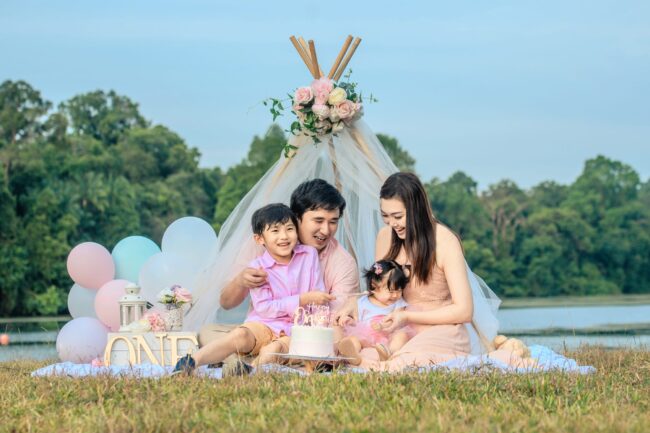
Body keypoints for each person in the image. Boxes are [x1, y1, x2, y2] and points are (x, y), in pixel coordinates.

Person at [336, 172, 533, 371]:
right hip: (399, 330)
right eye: (385, 216)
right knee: (365, 353)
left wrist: (408, 317)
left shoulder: (444, 241)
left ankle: (505, 358)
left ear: (417, 210)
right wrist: (354, 303)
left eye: (398, 216)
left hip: (442, 329)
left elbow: (464, 311)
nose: (392, 224)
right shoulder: (385, 237)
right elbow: (381, 288)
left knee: (404, 363)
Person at [198, 179, 359, 346]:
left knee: (335, 339)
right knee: (208, 333)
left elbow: (335, 319)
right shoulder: (262, 243)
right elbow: (226, 303)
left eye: (333, 221)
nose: (326, 230)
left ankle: (254, 355)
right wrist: (241, 281)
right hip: (262, 331)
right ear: (296, 218)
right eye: (318, 221)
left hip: (308, 337)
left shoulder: (344, 263)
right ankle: (246, 353)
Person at [173, 203, 330, 374]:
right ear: (259, 239)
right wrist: (302, 300)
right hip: (264, 325)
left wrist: (317, 321)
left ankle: (248, 370)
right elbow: (264, 308)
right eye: (275, 231)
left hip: (297, 331)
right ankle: (190, 362)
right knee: (239, 336)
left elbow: (318, 297)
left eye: (289, 229)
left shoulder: (309, 255)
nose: (284, 236)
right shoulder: (258, 268)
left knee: (273, 350)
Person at [336, 260, 412, 365]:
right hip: (366, 335)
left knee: (401, 335)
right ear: (374, 287)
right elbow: (358, 322)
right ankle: (352, 354)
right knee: (353, 338)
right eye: (391, 291)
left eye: (399, 290)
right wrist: (349, 321)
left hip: (388, 335)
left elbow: (397, 320)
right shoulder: (362, 302)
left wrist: (382, 326)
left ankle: (388, 352)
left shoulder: (398, 303)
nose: (395, 295)